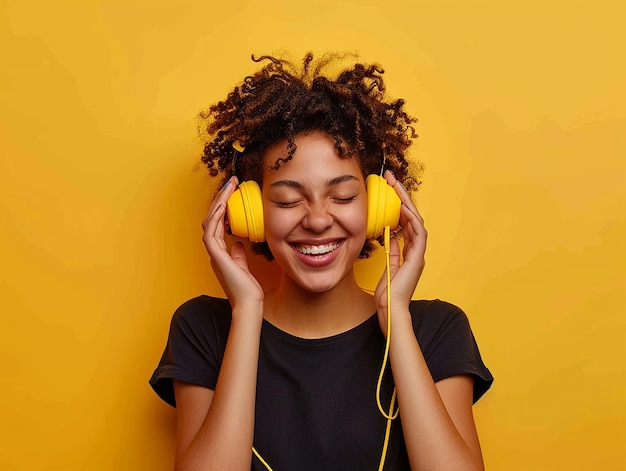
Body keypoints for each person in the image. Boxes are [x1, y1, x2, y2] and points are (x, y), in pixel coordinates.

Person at [150, 53, 493, 471]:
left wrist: (395, 317)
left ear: (379, 207)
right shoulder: (204, 328)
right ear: (249, 213)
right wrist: (247, 312)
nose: (316, 220)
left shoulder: (436, 329)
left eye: (344, 197)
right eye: (288, 200)